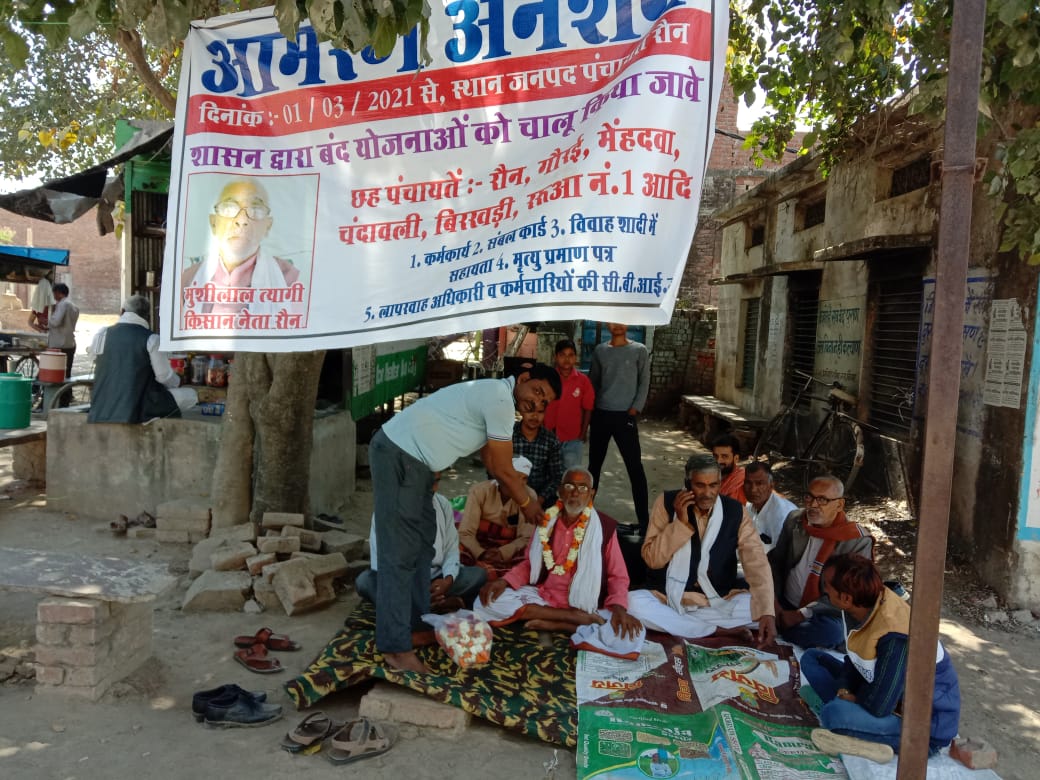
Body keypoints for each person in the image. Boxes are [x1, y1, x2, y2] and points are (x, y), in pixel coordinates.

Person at [368, 363, 561, 674]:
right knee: (398, 552)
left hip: (418, 465)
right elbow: (500, 470)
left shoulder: (500, 403)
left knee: (421, 547)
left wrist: (524, 499)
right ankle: (394, 647)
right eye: (537, 392)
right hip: (398, 454)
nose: (536, 404)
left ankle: (416, 627)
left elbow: (491, 459)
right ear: (523, 379)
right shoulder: (499, 398)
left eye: (544, 403)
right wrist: (529, 504)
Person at [802, 553, 960, 763]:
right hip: (879, 689)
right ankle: (851, 717)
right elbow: (855, 658)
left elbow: (880, 705)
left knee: (833, 714)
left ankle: (857, 728)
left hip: (920, 726)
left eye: (826, 588)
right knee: (812, 659)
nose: (824, 592)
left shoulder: (895, 636)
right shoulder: (860, 607)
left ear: (845, 598)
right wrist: (844, 689)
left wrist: (854, 698)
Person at [474, 467, 645, 658]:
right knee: (485, 603)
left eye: (583, 488)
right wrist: (503, 581)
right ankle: (571, 620)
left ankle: (559, 623)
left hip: (586, 602)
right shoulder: (546, 521)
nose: (575, 493)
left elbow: (618, 575)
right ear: (560, 491)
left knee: (630, 636)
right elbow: (530, 565)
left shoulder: (603, 528)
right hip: (544, 596)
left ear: (592, 494)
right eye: (570, 486)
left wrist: (620, 610)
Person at [628, 454, 776, 645]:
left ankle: (688, 627)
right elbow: (652, 559)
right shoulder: (666, 503)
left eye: (713, 485)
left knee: (760, 608)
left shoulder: (735, 511)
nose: (708, 493)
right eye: (700, 485)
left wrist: (766, 612)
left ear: (720, 484)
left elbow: (756, 562)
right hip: (670, 599)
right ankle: (717, 630)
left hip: (716, 601)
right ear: (687, 484)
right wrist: (680, 523)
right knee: (632, 603)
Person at [768, 475, 874, 649]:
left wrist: (800, 614)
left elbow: (847, 594)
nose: (813, 505)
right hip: (783, 602)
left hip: (823, 612)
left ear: (839, 505)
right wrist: (773, 602)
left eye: (822, 500)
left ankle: (782, 629)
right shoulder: (795, 521)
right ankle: (781, 625)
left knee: (831, 632)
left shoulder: (856, 541)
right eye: (809, 497)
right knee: (743, 587)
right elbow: (776, 562)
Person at [357, 472, 486, 613]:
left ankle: (417, 607)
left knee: (479, 575)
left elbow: (451, 549)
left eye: (436, 482)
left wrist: (448, 580)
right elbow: (382, 564)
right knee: (365, 582)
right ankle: (433, 605)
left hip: (436, 579)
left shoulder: (442, 504)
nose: (432, 488)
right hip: (402, 583)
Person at [181, 179, 301, 315]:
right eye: (229, 208)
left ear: (268, 226)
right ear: (213, 222)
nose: (242, 220)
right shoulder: (188, 279)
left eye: (255, 210)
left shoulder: (291, 280)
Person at [87, 295, 198, 423]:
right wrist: (178, 381)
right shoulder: (151, 339)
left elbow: (94, 359)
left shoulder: (102, 333)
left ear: (122, 312)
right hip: (138, 408)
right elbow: (164, 377)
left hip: (102, 405)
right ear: (147, 316)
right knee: (190, 395)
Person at [588, 323, 650, 533]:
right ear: (607, 324)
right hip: (601, 415)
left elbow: (644, 382)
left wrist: (635, 409)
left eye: (621, 321)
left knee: (635, 468)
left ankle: (644, 521)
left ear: (628, 323)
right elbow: (593, 382)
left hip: (626, 416)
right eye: (613, 321)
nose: (617, 325)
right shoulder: (600, 350)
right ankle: (583, 515)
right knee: (593, 467)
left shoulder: (639, 350)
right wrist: (593, 408)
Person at [459, 457, 539, 579]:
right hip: (478, 540)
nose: (520, 483)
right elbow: (466, 532)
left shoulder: (529, 496)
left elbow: (525, 537)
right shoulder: (479, 491)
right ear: (504, 476)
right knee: (455, 551)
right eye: (516, 477)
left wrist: (503, 553)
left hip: (509, 545)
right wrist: (480, 553)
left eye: (524, 479)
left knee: (529, 560)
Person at [544, 338, 595, 470]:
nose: (567, 359)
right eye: (562, 355)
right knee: (549, 473)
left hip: (573, 438)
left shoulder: (583, 381)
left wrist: (583, 433)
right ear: (556, 357)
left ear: (575, 357)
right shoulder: (547, 378)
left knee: (570, 476)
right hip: (548, 436)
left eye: (570, 355)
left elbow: (588, 408)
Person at [512, 408, 565, 509]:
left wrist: (539, 501)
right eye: (530, 411)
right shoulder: (508, 435)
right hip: (509, 492)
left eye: (540, 412)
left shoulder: (551, 440)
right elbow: (496, 469)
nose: (535, 416)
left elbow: (557, 477)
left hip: (540, 497)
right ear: (522, 411)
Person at [744, 461, 797, 551]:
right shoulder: (750, 505)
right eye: (748, 483)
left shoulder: (783, 515)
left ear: (771, 485)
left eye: (759, 483)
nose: (753, 490)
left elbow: (782, 557)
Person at [47, 282, 79, 378]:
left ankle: (55, 392)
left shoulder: (62, 305)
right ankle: (67, 393)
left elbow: (55, 322)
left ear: (58, 293)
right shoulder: (74, 306)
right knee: (66, 374)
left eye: (54, 293)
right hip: (70, 343)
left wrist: (48, 318)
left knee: (54, 373)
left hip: (59, 344)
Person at [712, 434, 746, 504]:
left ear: (736, 459)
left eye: (724, 456)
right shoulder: (710, 476)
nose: (718, 461)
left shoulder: (741, 482)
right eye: (715, 456)